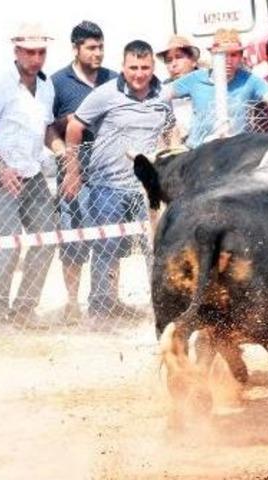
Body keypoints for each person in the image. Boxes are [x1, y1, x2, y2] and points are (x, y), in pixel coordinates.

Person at [62, 40, 172, 324]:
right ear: (123, 67)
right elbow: (75, 127)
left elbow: (171, 131)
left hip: (147, 189)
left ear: (152, 67)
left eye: (144, 67)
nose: (139, 74)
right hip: (106, 186)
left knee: (155, 247)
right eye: (133, 67)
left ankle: (161, 305)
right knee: (106, 246)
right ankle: (100, 310)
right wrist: (73, 171)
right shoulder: (105, 94)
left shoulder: (162, 96)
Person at [0, 23, 66, 325]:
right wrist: (1, 168)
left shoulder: (46, 86)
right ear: (17, 52)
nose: (36, 58)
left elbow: (46, 127)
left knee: (46, 238)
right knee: (9, 242)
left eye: (41, 52)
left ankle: (24, 310)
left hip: (31, 172)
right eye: (30, 52)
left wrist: (59, 148)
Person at [50, 21, 117, 322]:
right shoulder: (57, 83)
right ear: (76, 49)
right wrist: (63, 155)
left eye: (101, 46)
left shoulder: (114, 80)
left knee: (112, 238)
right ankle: (73, 304)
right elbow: (47, 129)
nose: (98, 53)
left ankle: (108, 301)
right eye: (91, 47)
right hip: (73, 175)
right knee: (74, 240)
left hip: (110, 174)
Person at [162, 28, 268, 148]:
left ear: (241, 56)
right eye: (223, 55)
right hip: (198, 150)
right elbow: (161, 96)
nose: (229, 61)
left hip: (235, 152)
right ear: (213, 55)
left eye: (234, 55)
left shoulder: (250, 80)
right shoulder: (196, 79)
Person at [156, 35, 199, 141]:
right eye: (169, 60)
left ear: (193, 61)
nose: (174, 64)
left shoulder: (207, 84)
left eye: (179, 57)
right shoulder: (162, 92)